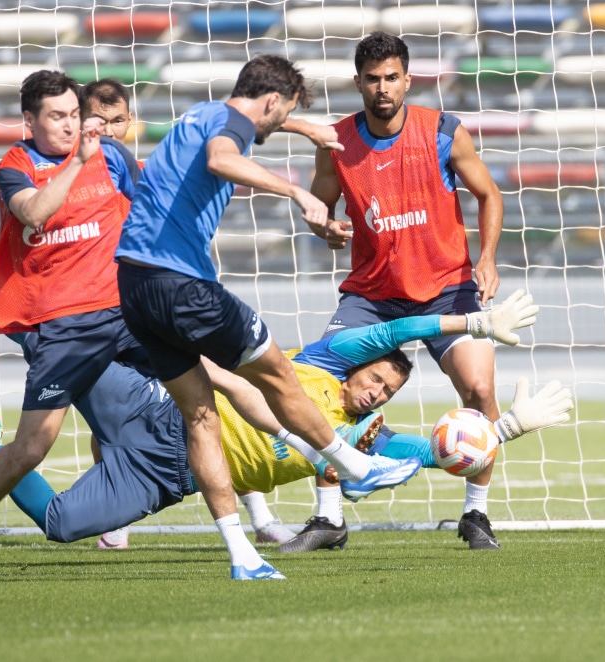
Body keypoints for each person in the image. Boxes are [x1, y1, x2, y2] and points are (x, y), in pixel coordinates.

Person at [0, 232, 568, 556]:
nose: (375, 394)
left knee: (60, 526)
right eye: (375, 379)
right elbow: (400, 327)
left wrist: (506, 426)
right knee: (61, 348)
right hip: (166, 407)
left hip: (168, 477)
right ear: (358, 368)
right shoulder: (319, 361)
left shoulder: (356, 441)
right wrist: (474, 323)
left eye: (387, 393)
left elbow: (432, 452)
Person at [112, 53, 426, 580]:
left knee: (201, 418)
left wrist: (302, 126)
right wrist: (298, 190)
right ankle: (354, 469)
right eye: (282, 115)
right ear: (272, 100)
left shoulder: (202, 112)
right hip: (181, 283)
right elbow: (222, 158)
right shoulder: (227, 128)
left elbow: (247, 126)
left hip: (134, 286)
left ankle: (243, 556)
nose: (277, 126)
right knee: (281, 374)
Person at [0, 70, 147, 581]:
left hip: (122, 312)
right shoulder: (15, 166)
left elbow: (151, 205)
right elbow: (35, 215)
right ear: (29, 120)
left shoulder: (113, 156)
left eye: (74, 115)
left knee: (209, 379)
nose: (70, 126)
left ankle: (256, 528)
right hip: (56, 321)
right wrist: (79, 162)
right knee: (32, 448)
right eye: (57, 116)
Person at [308, 32, 510, 548]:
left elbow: (489, 195)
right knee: (330, 387)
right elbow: (318, 208)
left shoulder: (443, 132)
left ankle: (476, 513)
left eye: (391, 77)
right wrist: (325, 228)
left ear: (407, 79)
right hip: (373, 295)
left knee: (481, 391)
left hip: (447, 288)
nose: (382, 88)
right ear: (358, 82)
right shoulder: (336, 144)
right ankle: (329, 518)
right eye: (372, 79)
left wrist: (486, 259)